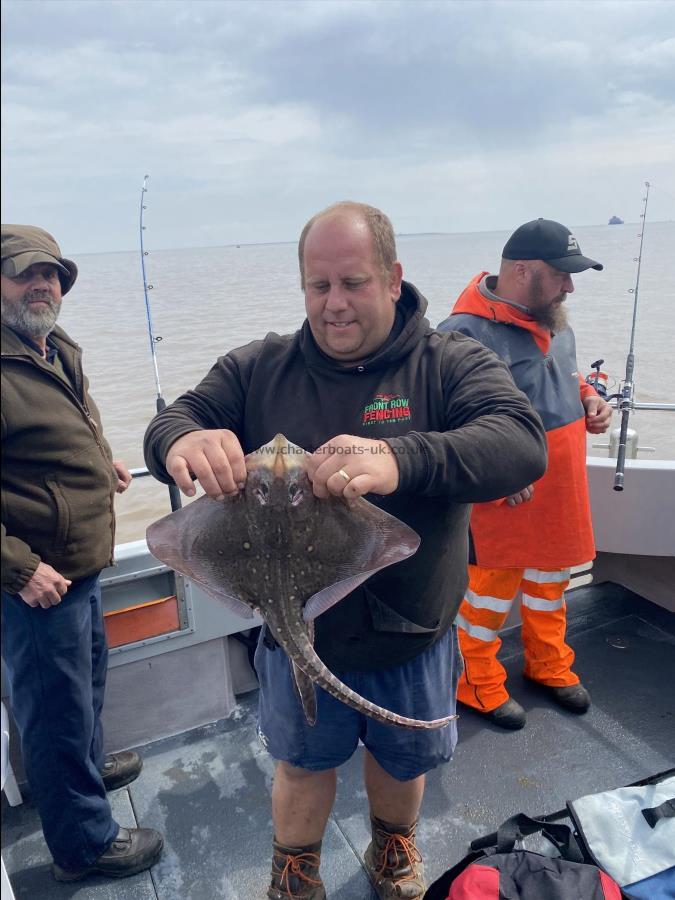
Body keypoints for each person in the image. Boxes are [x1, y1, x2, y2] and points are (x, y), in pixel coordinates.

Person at [144, 201, 546, 900]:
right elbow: (173, 421)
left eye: (353, 283)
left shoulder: (446, 362)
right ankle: (294, 872)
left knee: (401, 758)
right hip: (293, 623)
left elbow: (519, 441)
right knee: (300, 762)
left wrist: (401, 459)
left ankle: (394, 851)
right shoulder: (256, 368)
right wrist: (178, 441)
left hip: (409, 630)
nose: (333, 304)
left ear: (392, 279)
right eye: (317, 285)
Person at [1, 224, 164, 882]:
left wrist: (103, 466)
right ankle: (84, 845)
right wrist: (17, 567)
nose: (44, 284)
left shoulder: (52, 345)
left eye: (53, 275)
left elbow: (64, 432)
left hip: (80, 563)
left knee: (80, 692)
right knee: (56, 708)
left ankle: (78, 771)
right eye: (24, 273)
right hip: (37, 579)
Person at [437, 218, 612, 731]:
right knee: (487, 595)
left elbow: (569, 373)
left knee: (550, 584)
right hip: (501, 498)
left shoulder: (554, 319)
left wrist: (590, 400)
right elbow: (447, 422)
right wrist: (500, 472)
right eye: (562, 274)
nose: (570, 285)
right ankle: (474, 680)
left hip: (560, 492)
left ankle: (549, 665)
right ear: (521, 271)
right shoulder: (460, 335)